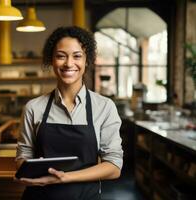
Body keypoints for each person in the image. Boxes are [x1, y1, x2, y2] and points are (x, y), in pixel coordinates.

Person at [16, 26, 123, 200]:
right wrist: (27, 175)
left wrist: (65, 177)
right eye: (61, 56)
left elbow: (113, 166)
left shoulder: (104, 107)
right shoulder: (33, 108)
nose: (68, 63)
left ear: (87, 60)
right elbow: (24, 157)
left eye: (77, 56)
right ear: (51, 60)